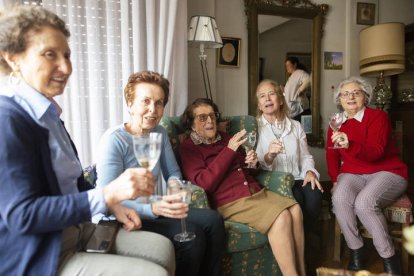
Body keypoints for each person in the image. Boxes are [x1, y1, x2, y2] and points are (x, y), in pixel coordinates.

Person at [0, 5, 175, 276]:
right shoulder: (8, 120)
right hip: (43, 252)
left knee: (162, 248)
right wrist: (107, 195)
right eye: (50, 55)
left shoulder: (49, 115)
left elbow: (73, 184)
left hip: (78, 229)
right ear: (13, 58)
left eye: (67, 55)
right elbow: (23, 215)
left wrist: (112, 206)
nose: (65, 67)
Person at [96, 71, 225, 276]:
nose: (153, 109)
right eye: (145, 101)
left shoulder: (159, 132)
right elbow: (107, 200)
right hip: (128, 217)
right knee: (193, 237)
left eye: (159, 103)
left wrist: (174, 189)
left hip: (156, 206)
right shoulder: (114, 140)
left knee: (213, 221)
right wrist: (154, 207)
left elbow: (173, 172)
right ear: (130, 104)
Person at [179, 98, 306, 276]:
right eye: (202, 117)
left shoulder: (225, 138)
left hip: (255, 193)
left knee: (295, 210)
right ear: (191, 125)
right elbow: (203, 183)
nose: (209, 121)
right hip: (230, 201)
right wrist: (229, 150)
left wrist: (252, 163)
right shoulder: (189, 148)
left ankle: (302, 271)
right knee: (282, 217)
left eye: (212, 115)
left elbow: (244, 170)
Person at [326, 76, 408, 274]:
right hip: (353, 173)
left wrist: (350, 145)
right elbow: (331, 155)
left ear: (366, 96)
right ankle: (357, 250)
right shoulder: (336, 122)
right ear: (340, 99)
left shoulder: (378, 117)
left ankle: (389, 257)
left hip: (387, 171)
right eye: (345, 94)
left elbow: (376, 152)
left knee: (364, 203)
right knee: (340, 199)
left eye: (356, 92)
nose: (350, 97)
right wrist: (336, 179)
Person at [255, 79, 323, 232]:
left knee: (315, 197)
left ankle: (302, 238)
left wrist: (309, 172)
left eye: (271, 94)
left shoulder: (296, 126)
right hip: (273, 180)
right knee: (296, 198)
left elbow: (306, 156)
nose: (267, 99)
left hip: (298, 176)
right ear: (259, 105)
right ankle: (296, 243)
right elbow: (256, 164)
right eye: (262, 96)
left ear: (280, 99)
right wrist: (270, 155)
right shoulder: (255, 128)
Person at [284, 56, 311, 121]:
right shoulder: (292, 76)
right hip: (293, 110)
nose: (287, 67)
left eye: (288, 65)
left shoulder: (300, 73)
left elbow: (309, 80)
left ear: (295, 64)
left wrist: (300, 90)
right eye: (286, 65)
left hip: (300, 109)